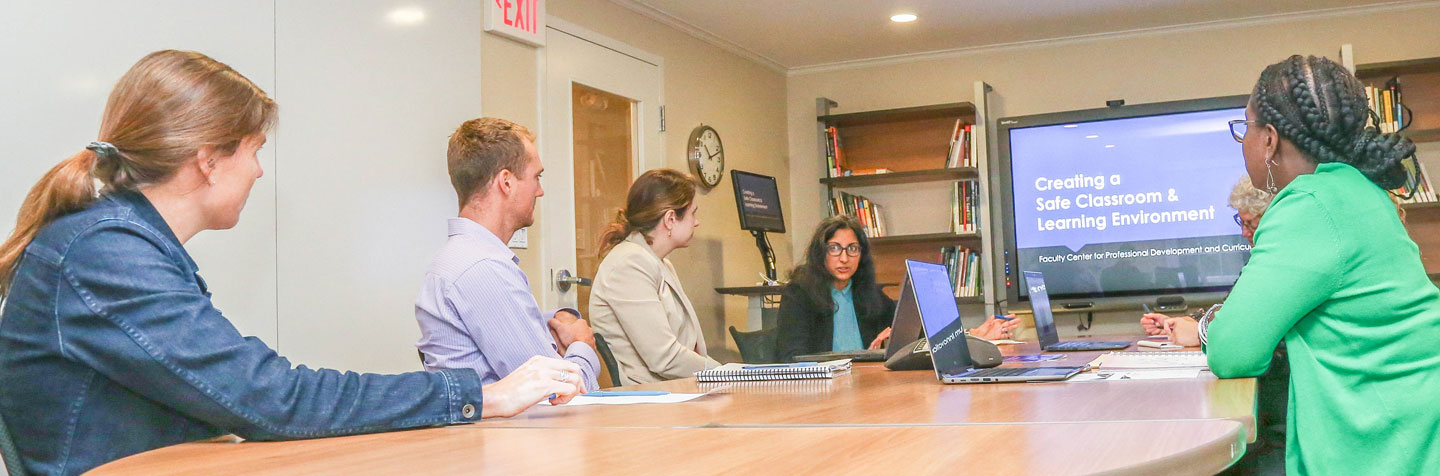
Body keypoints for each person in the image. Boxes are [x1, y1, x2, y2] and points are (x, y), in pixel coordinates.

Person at [0, 51, 582, 476]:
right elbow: (273, 397)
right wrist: (481, 395)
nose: (258, 172)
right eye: (253, 152)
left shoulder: (117, 244)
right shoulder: (107, 253)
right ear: (208, 160)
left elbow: (254, 397)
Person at [1163, 55, 1440, 474]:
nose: (1244, 142)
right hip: (1410, 420)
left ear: (1269, 139)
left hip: (1383, 443)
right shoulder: (1355, 188)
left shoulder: (1309, 204)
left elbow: (1233, 352)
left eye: (1245, 128)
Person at [414, 118, 600, 391]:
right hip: (517, 431)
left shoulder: (466, 260)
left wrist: (553, 321)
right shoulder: (482, 268)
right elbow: (557, 393)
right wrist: (581, 344)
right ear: (507, 182)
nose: (540, 190)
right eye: (536, 177)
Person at [775, 215, 1017, 362]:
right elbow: (791, 358)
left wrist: (973, 335)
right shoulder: (799, 294)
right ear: (821, 252)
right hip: (822, 395)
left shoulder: (867, 294)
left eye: (853, 249)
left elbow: (920, 337)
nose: (844, 258)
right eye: (834, 248)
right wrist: (861, 357)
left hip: (867, 388)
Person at [588, 169, 720, 384]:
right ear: (670, 219)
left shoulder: (658, 262)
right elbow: (664, 358)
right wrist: (725, 372)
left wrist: (726, 371)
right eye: (692, 213)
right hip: (649, 399)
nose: (696, 222)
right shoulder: (629, 263)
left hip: (674, 389)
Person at [1139, 176, 1272, 335]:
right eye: (1241, 222)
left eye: (1251, 224)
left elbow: (1246, 324)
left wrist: (1198, 334)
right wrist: (1174, 325)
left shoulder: (1278, 264)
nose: (1244, 233)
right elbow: (1226, 309)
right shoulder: (1256, 262)